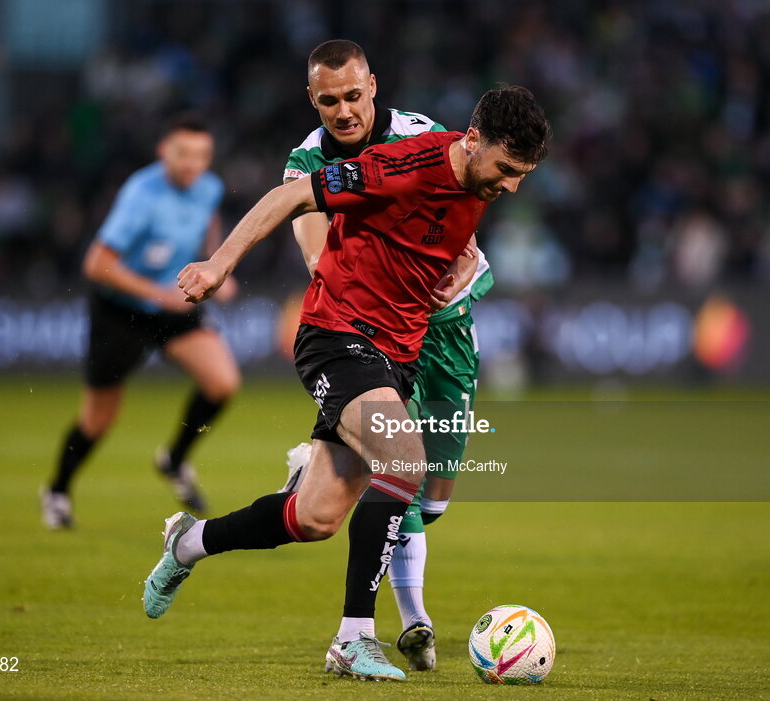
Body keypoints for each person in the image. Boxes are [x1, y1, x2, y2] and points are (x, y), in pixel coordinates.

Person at [144, 85, 549, 682]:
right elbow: (291, 197)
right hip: (338, 336)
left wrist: (462, 258)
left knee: (316, 519)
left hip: (395, 355)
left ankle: (188, 543)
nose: (512, 186)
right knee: (404, 457)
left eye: (523, 175)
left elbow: (432, 234)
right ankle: (353, 639)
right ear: (471, 141)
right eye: (507, 170)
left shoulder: (475, 181)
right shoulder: (403, 166)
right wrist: (219, 264)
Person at [277, 39, 495, 672]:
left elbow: (463, 223)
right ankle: (413, 621)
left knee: (434, 497)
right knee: (401, 466)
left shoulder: (422, 135)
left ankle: (314, 462)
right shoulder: (306, 160)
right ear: (312, 100)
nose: (343, 111)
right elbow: (319, 256)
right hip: (374, 332)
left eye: (352, 95)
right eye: (328, 100)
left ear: (373, 85)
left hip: (447, 331)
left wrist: (455, 265)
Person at [40, 115, 240, 529]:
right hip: (120, 310)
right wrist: (157, 293)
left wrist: (217, 268)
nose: (192, 164)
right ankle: (57, 491)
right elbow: (96, 264)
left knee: (222, 382)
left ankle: (174, 460)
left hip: (172, 306)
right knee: (99, 418)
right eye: (183, 154)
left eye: (201, 155)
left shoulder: (209, 189)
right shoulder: (140, 194)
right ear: (163, 152)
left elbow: (208, 228)